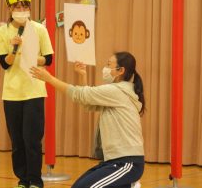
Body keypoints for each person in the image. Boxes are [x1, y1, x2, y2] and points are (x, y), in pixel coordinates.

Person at [30, 52, 145, 188]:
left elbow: (80, 94)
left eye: (109, 65)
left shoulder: (117, 91)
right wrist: (83, 76)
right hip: (112, 161)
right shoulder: (117, 91)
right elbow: (87, 102)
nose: (106, 69)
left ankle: (129, 184)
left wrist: (49, 79)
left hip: (127, 162)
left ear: (120, 71)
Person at [0, 0, 54, 188]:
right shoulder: (2, 31)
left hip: (34, 90)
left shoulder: (39, 29)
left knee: (32, 140)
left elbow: (49, 59)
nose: (21, 9)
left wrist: (30, 54)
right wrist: (15, 49)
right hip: (11, 94)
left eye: (25, 5)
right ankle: (22, 180)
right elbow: (5, 63)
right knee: (17, 142)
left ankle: (36, 181)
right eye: (17, 6)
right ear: (9, 8)